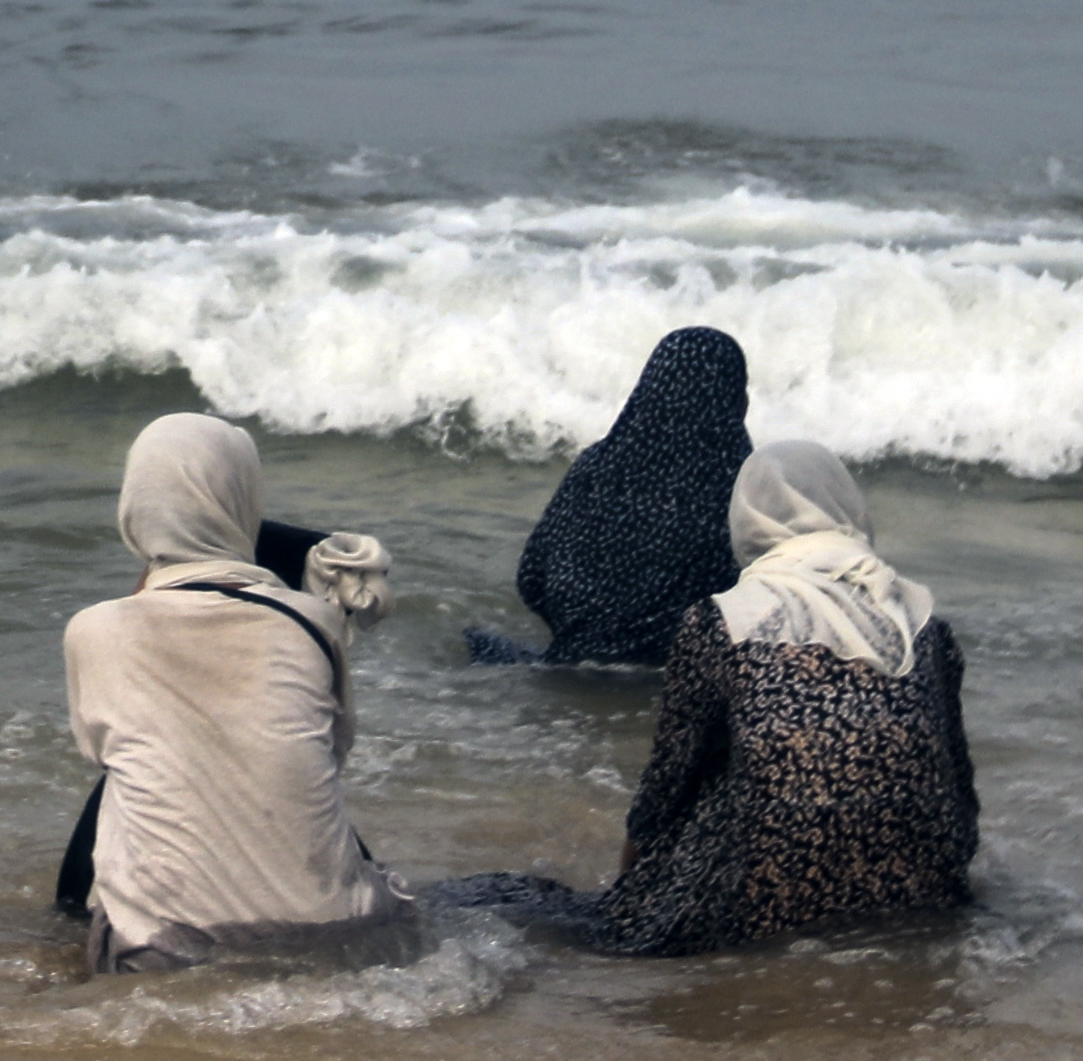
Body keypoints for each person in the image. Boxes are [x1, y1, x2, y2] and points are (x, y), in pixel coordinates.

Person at [440, 440, 978, 955]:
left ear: (749, 520)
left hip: (766, 899)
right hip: (921, 892)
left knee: (526, 908)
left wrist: (631, 893)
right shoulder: (923, 619)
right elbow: (958, 789)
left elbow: (669, 784)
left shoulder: (723, 619)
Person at [63, 413, 407, 973]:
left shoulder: (95, 630)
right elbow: (332, 753)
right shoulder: (311, 623)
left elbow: (106, 757)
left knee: (129, 776)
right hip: (339, 933)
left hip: (165, 952)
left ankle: (63, 925)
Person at [464, 326, 753, 665]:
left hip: (572, 663)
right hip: (671, 675)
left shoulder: (597, 464)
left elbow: (531, 578)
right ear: (732, 396)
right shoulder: (740, 481)